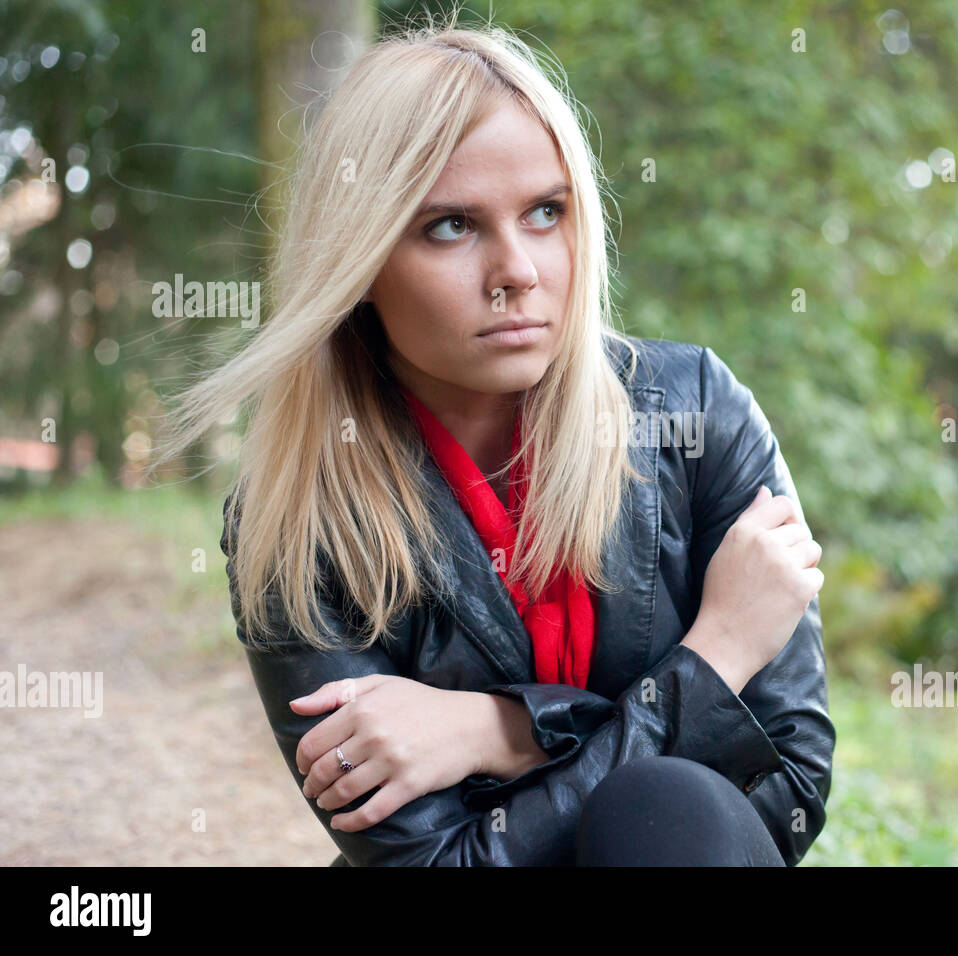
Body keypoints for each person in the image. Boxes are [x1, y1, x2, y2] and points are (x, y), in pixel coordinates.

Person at [157, 9, 833, 866]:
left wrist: (497, 731)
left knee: (669, 807)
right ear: (358, 262)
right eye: (452, 225)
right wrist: (717, 658)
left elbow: (791, 789)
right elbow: (426, 862)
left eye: (545, 212)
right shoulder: (300, 522)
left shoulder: (695, 412)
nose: (518, 270)